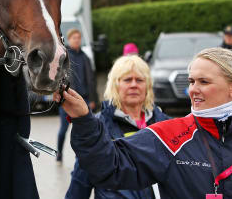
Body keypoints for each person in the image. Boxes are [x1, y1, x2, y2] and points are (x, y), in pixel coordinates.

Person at [56, 47, 232, 198]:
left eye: (204, 82)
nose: (193, 90)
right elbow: (112, 167)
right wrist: (84, 120)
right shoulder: (169, 136)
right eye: (191, 81)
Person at [66, 55, 169, 199]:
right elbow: (80, 182)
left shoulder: (165, 125)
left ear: (148, 86)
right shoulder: (97, 127)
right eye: (127, 80)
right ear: (115, 85)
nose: (134, 85)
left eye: (139, 80)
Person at [57, 29, 96, 162]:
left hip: (84, 99)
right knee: (63, 129)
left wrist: (92, 99)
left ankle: (81, 156)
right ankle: (59, 153)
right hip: (67, 99)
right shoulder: (64, 56)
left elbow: (91, 80)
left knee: (83, 131)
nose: (77, 40)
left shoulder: (85, 57)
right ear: (69, 39)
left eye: (78, 38)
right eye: (74, 38)